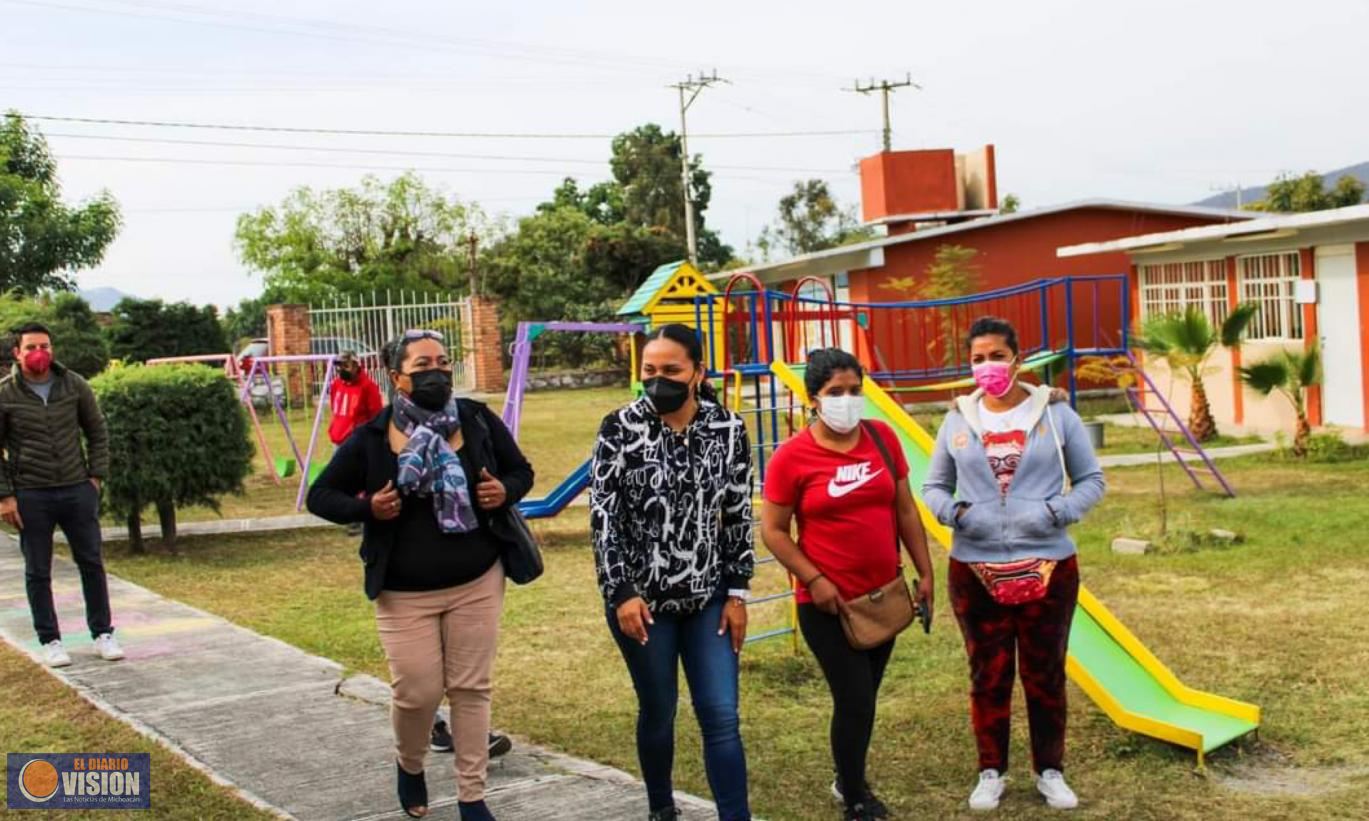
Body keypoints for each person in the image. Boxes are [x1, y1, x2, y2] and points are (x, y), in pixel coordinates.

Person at [307, 329, 533, 821]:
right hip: (404, 592)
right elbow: (320, 496)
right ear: (398, 379)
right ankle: (409, 763)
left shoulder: (475, 420)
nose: (438, 372)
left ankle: (472, 797)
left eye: (444, 362)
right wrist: (370, 508)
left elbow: (521, 471)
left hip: (477, 579)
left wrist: (504, 492)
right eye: (423, 365)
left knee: (471, 689)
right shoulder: (372, 437)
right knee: (418, 692)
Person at [922, 317, 1106, 812]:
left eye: (996, 356)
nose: (988, 367)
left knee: (1045, 674)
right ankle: (990, 771)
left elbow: (1092, 479)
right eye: (978, 359)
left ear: (1017, 359)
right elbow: (933, 487)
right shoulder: (957, 419)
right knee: (988, 674)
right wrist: (957, 513)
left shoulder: (1055, 414)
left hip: (1049, 565)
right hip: (974, 568)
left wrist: (1055, 512)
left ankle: (1050, 771)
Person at [761, 348, 935, 821]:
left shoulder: (882, 439)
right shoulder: (792, 458)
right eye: (835, 392)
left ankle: (846, 775)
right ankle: (855, 796)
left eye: (855, 391)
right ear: (812, 397)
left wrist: (926, 572)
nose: (847, 400)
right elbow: (773, 530)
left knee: (865, 697)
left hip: (882, 596)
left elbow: (904, 509)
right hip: (826, 604)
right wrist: (813, 578)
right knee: (854, 697)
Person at [591, 323, 754, 821]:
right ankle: (661, 808)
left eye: (671, 370)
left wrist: (738, 592)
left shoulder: (728, 430)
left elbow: (738, 513)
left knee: (721, 715)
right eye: (649, 371)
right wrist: (621, 592)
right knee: (659, 711)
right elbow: (604, 517)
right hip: (643, 604)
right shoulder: (619, 428)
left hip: (708, 600)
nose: (657, 380)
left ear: (698, 372)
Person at [0, 322, 123, 668]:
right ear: (17, 352)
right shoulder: (6, 393)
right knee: (38, 570)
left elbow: (97, 431)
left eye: (45, 346)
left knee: (92, 563)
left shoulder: (74, 384)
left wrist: (95, 477)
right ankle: (51, 640)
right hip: (31, 495)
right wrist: (6, 496)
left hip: (75, 489)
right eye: (31, 347)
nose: (39, 353)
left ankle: (102, 633)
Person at [327, 350, 385, 447]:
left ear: (355, 366)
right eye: (339, 366)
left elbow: (376, 415)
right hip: (338, 438)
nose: (341, 369)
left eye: (346, 366)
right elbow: (334, 409)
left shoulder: (368, 386)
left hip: (358, 441)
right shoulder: (336, 384)